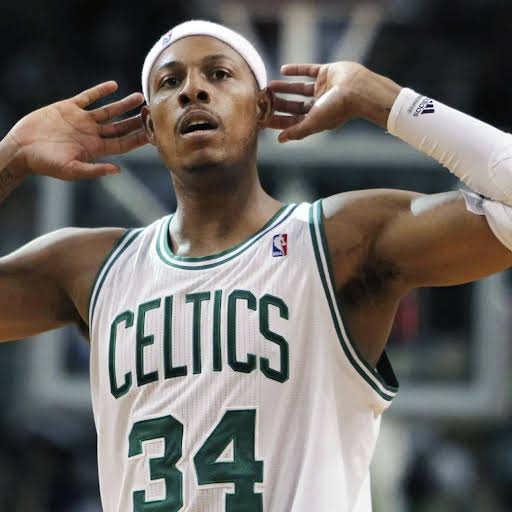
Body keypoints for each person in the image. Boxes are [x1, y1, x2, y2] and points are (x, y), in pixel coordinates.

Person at [1, 18, 511, 512]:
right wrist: (12, 155)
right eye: (170, 82)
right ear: (150, 126)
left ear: (262, 107)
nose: (193, 90)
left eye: (219, 74)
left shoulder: (338, 242)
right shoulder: (92, 267)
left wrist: (384, 99)